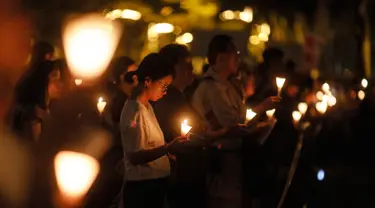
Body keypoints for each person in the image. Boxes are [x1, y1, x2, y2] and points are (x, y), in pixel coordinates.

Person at [192, 35, 279, 208]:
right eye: (235, 54)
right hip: (222, 160)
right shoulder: (211, 88)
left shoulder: (228, 85)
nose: (238, 58)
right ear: (221, 58)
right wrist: (262, 107)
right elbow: (233, 123)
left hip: (234, 159)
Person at [120, 53, 190, 208]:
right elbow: (134, 156)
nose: (165, 92)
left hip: (154, 186)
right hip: (142, 191)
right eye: (163, 86)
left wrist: (166, 153)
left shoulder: (147, 106)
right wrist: (168, 148)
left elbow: (148, 144)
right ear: (148, 81)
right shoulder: (135, 112)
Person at [154, 44, 206, 208]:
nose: (192, 69)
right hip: (179, 179)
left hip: (187, 175)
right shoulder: (166, 101)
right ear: (171, 68)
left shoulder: (180, 98)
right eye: (187, 65)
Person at [6, 61, 62, 141]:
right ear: (42, 83)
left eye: (59, 79)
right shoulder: (32, 115)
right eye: (54, 79)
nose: (59, 84)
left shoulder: (51, 110)